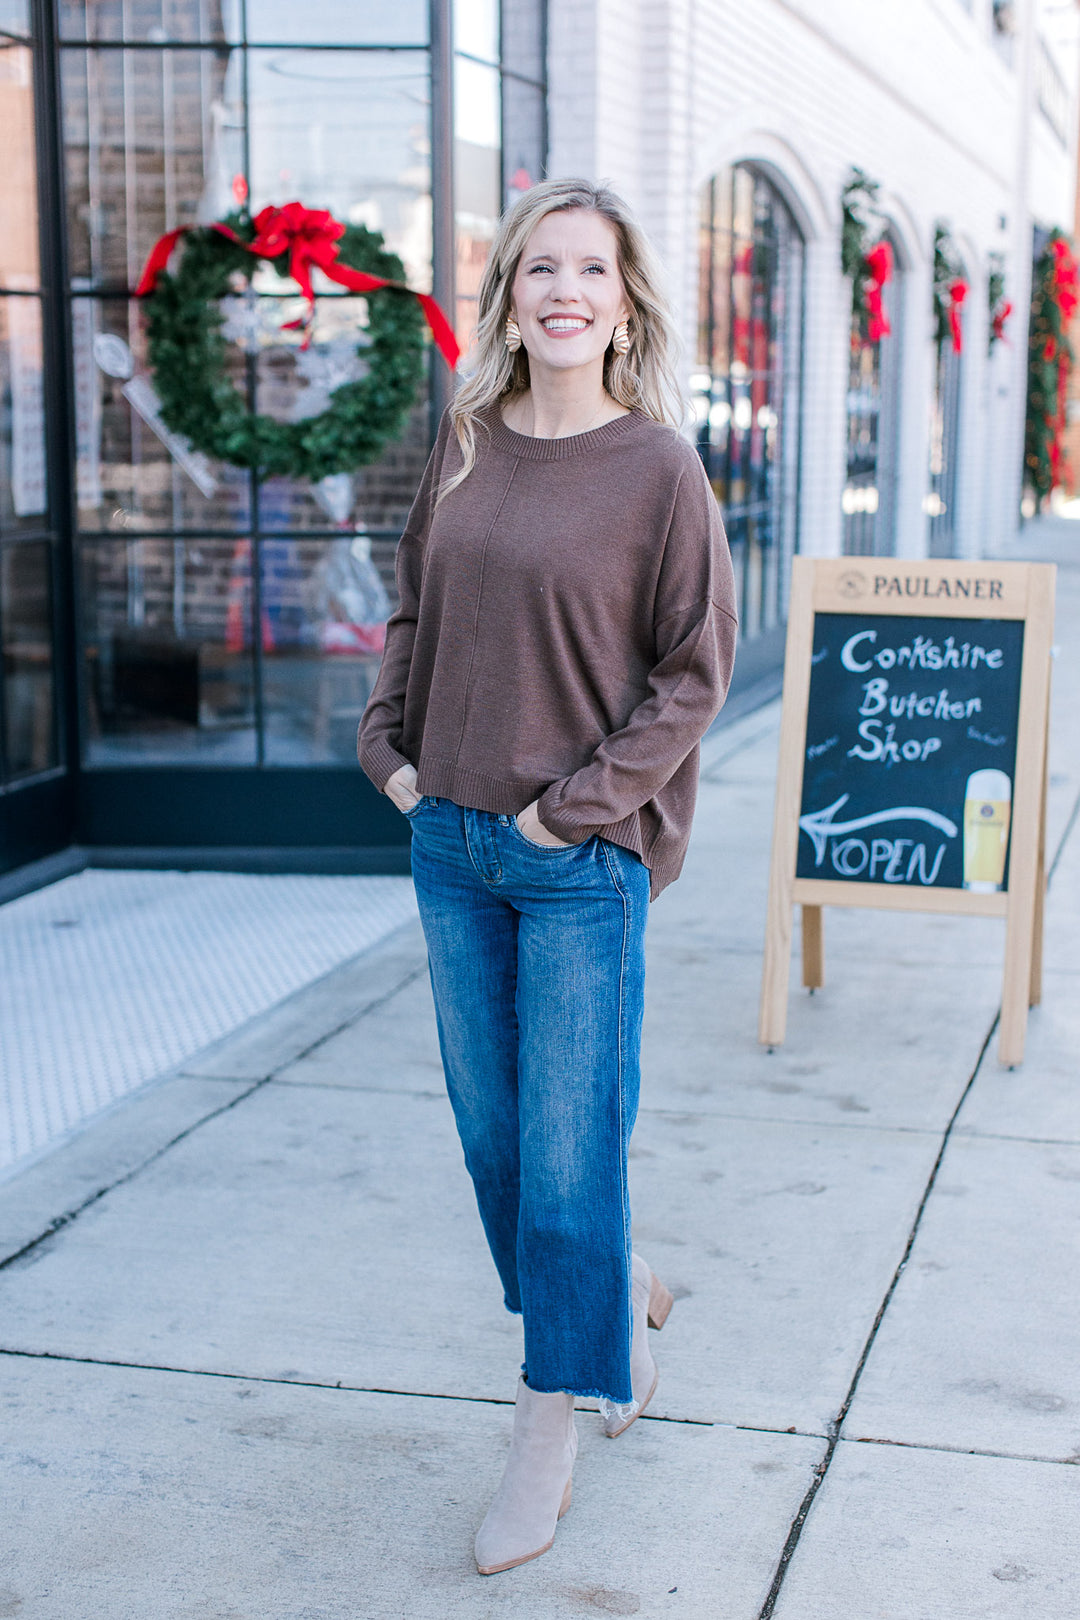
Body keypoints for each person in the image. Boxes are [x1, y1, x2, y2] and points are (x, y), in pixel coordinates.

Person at [358, 178, 737, 1575]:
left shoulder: (659, 470)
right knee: (496, 1144)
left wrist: (567, 816)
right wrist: (388, 759)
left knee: (568, 1162)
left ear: (624, 298)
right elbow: (413, 610)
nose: (564, 292)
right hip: (447, 844)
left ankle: (548, 1425)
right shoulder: (463, 444)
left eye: (590, 269)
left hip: (574, 864)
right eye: (538, 270)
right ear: (509, 297)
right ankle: (614, 1291)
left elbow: (696, 671)